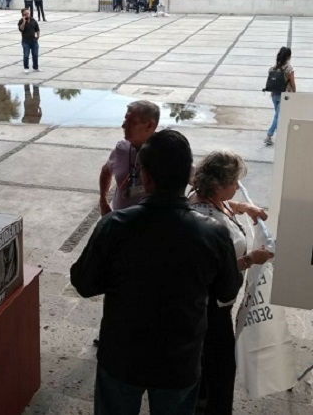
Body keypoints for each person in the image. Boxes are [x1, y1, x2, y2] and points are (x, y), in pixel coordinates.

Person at [71, 129, 242, 415]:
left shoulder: (114, 225)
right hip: (180, 362)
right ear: (189, 175)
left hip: (122, 357)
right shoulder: (213, 233)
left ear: (146, 176)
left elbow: (84, 283)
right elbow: (227, 291)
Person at [187, 151, 273, 415]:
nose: (237, 187)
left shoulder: (201, 197)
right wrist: (250, 259)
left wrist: (244, 207)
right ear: (217, 185)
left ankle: (200, 396)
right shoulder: (208, 223)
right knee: (222, 363)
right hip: (211, 305)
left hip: (217, 300)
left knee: (204, 355)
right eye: (234, 182)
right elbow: (212, 271)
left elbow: (225, 206)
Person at [99, 100, 159, 216]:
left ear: (150, 126)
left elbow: (191, 177)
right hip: (120, 219)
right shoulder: (121, 149)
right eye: (126, 119)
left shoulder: (166, 150)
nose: (124, 126)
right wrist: (103, 200)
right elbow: (106, 171)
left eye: (132, 122)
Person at [265, 46, 295, 146]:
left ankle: (281, 134)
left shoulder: (273, 68)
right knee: (278, 116)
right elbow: (292, 83)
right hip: (285, 95)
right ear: (288, 57)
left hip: (274, 94)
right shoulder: (289, 69)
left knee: (278, 116)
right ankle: (269, 135)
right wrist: (294, 93)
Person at [18, 8, 40, 73]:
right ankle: (26, 67)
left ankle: (35, 68)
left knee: (35, 55)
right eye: (26, 14)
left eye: (28, 13)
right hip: (26, 41)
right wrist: (24, 22)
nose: (27, 15)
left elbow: (37, 29)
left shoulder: (33, 20)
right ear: (23, 15)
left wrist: (38, 36)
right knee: (26, 55)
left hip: (33, 41)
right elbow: (21, 29)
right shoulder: (21, 21)